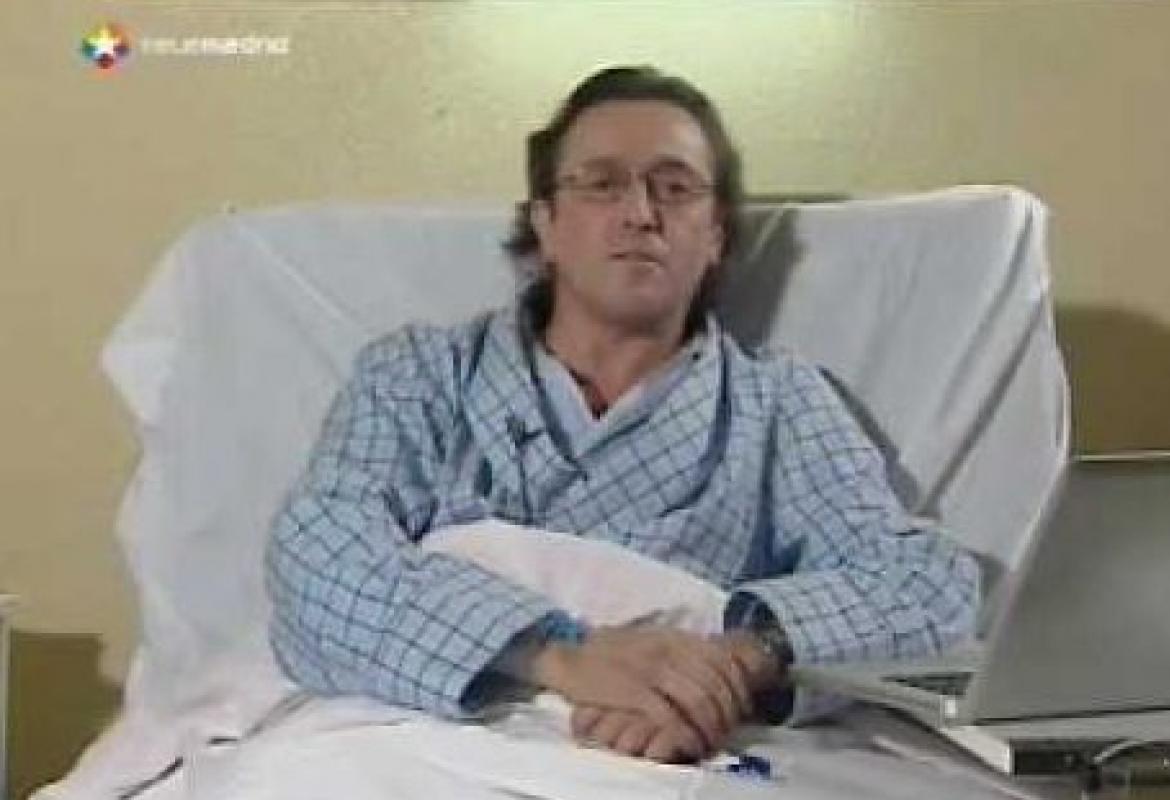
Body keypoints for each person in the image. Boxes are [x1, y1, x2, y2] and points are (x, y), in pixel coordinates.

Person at [265, 65, 980, 765]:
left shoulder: (779, 404)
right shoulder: (420, 374)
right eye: (602, 184)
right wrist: (561, 656)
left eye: (675, 188)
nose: (641, 213)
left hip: (678, 740)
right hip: (444, 726)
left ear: (716, 234)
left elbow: (924, 584)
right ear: (546, 223)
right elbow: (318, 553)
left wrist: (727, 666)